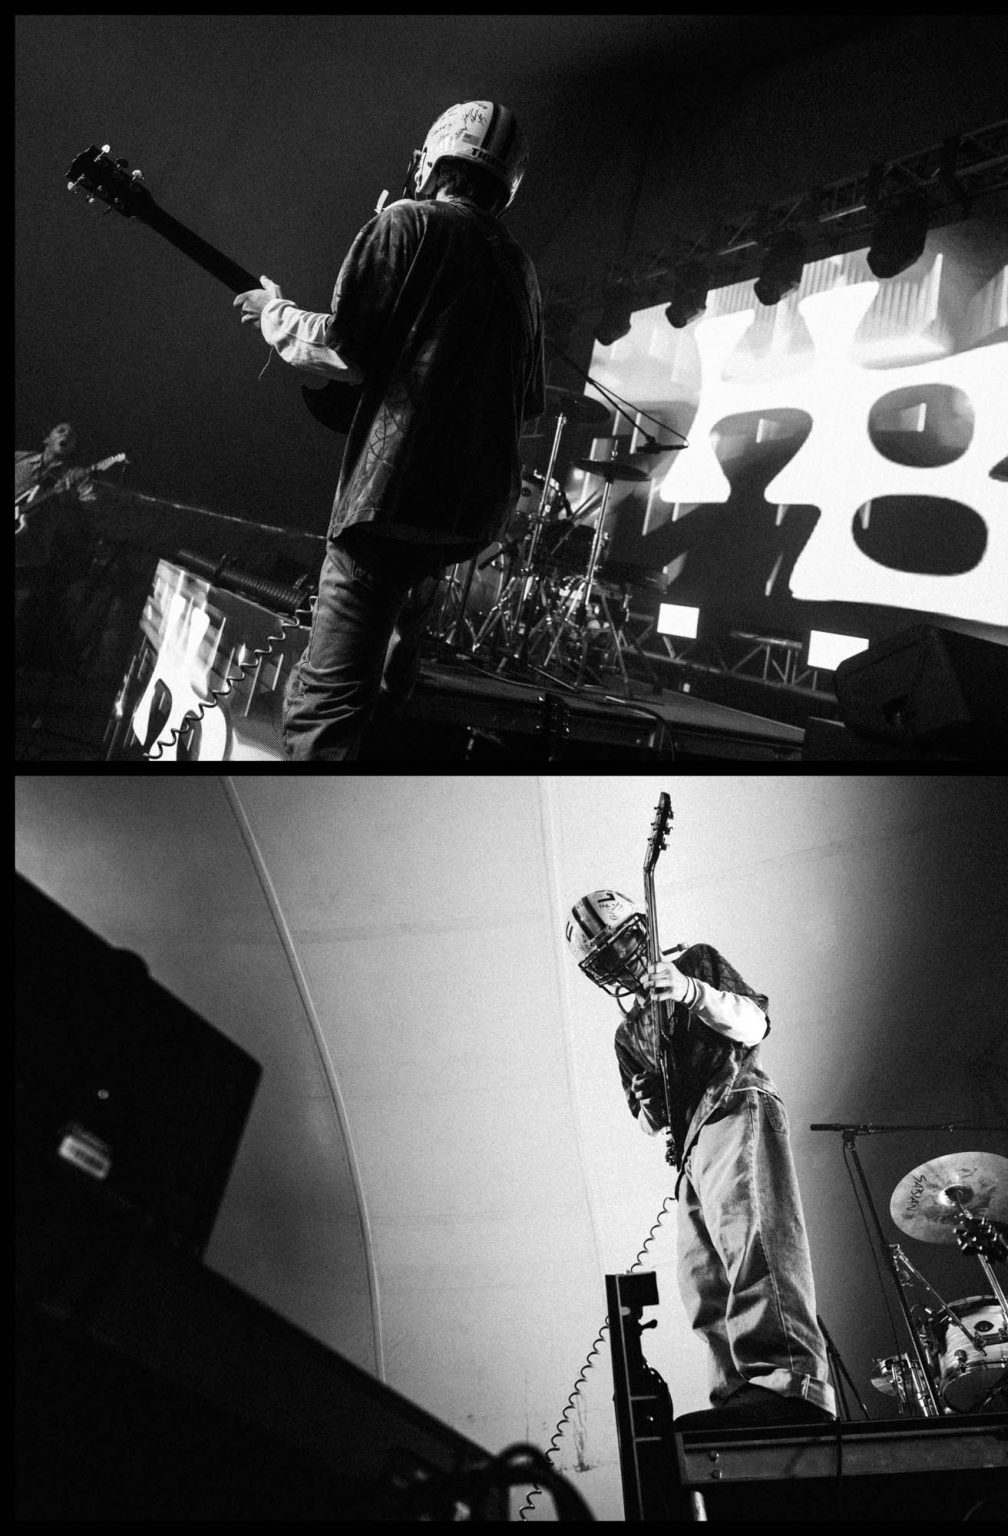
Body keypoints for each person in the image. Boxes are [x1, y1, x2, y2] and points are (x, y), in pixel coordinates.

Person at [233, 101, 544, 760]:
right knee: (385, 689)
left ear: (432, 161)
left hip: (387, 504)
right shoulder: (519, 267)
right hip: (460, 520)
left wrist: (274, 312)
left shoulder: (405, 223)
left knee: (326, 703)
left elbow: (347, 346)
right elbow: (528, 402)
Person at [565, 889, 836, 1427]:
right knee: (702, 1278)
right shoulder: (627, 1035)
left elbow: (753, 1025)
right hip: (690, 1144)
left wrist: (689, 991)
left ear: (643, 931)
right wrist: (648, 1107)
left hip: (734, 1101)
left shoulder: (696, 963)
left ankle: (789, 1382)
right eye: (607, 958)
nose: (621, 960)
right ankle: (737, 1392)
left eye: (623, 944)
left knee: (752, 1241)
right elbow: (648, 1120)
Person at [16, 423, 99, 667]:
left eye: (72, 436)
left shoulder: (74, 477)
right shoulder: (20, 459)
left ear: (73, 448)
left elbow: (92, 516)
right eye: (61, 430)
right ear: (47, 438)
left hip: (27, 558)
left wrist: (71, 500)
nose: (67, 435)